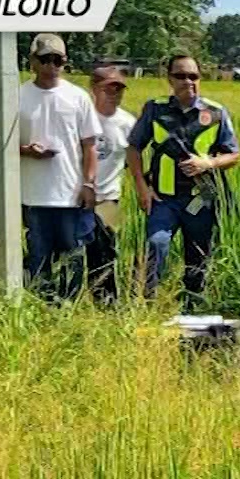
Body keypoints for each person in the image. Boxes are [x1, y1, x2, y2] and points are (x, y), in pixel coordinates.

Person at [127, 54, 240, 310]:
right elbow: (134, 147)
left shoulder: (216, 113)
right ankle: (144, 307)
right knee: (155, 244)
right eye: (180, 75)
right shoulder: (154, 109)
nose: (188, 81)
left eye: (193, 76)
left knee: (198, 259)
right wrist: (141, 187)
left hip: (201, 200)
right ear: (169, 79)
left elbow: (234, 154)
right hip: (163, 199)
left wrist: (208, 163)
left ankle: (193, 309)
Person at [17, 34, 100, 303]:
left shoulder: (77, 97)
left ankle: (68, 311)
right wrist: (27, 150)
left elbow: (90, 145)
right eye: (45, 59)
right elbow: (3, 145)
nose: (51, 66)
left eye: (58, 60)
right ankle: (39, 307)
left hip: (69, 194)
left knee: (72, 257)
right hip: (33, 194)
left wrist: (88, 184)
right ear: (32, 62)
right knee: (38, 256)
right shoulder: (17, 96)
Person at [87, 63, 138, 305]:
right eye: (109, 88)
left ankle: (107, 303)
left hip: (110, 199)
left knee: (108, 250)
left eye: (119, 89)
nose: (115, 93)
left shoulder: (128, 123)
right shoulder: (81, 116)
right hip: (75, 197)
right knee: (74, 250)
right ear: (94, 88)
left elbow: (132, 161)